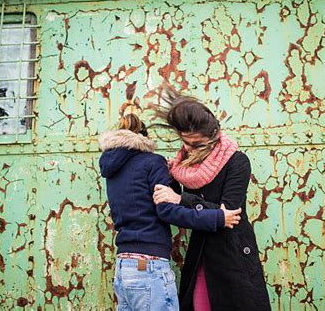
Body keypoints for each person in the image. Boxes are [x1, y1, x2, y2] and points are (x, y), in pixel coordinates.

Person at [98, 113, 242, 311]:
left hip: (124, 267)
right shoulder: (152, 162)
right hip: (149, 267)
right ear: (145, 138)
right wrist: (217, 218)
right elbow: (167, 211)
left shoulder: (112, 170)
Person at [152, 84, 271, 311]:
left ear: (214, 136)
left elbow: (229, 214)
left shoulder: (237, 162)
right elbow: (210, 214)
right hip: (201, 254)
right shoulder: (183, 167)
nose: (188, 148)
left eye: (195, 144)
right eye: (184, 141)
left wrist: (181, 200)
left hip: (232, 253)